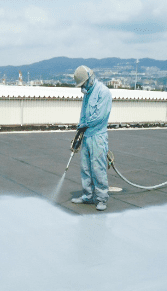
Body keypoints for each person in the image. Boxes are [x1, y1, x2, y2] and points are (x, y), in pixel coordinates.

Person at [71, 65, 112, 211]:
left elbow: (99, 117)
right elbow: (83, 113)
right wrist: (79, 130)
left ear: (90, 79)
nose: (82, 88)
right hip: (87, 136)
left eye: (83, 84)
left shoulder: (103, 92)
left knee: (98, 169)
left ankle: (101, 198)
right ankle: (87, 196)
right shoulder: (87, 93)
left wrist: (84, 125)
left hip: (98, 137)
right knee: (86, 168)